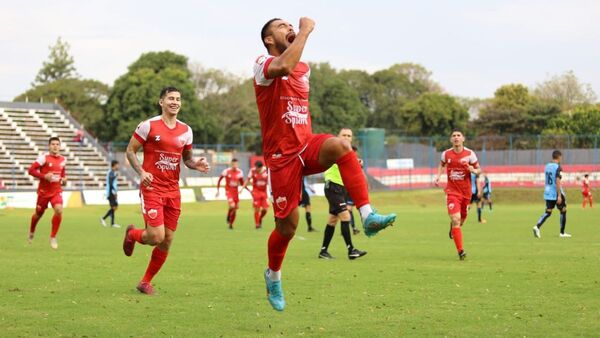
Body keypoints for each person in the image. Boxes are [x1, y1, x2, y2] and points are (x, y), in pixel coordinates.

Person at [254, 17, 396, 311]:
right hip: (282, 157)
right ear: (269, 39)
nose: (289, 27)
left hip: (306, 145)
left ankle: (368, 215)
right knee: (287, 228)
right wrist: (305, 31)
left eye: (290, 25)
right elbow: (283, 66)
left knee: (343, 146)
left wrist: (298, 36)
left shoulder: (304, 68)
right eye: (281, 26)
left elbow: (294, 70)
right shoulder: (262, 64)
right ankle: (274, 275)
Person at [122, 87, 210, 295]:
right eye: (170, 98)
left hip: (173, 191)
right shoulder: (148, 126)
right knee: (155, 236)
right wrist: (141, 172)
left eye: (178, 99)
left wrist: (195, 164)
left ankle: (145, 282)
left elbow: (187, 159)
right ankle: (132, 234)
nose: (175, 102)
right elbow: (130, 150)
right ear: (161, 102)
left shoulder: (186, 130)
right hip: (152, 188)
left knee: (167, 240)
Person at [319, 128, 367, 260]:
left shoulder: (349, 152)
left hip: (341, 188)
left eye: (349, 135)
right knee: (346, 216)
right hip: (333, 186)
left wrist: (358, 164)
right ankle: (351, 250)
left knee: (333, 220)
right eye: (344, 135)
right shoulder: (334, 148)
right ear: (338, 137)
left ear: (352, 138)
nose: (346, 137)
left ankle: (323, 251)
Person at [434, 130, 480, 261]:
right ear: (451, 140)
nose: (456, 138)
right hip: (452, 192)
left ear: (463, 139)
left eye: (458, 135)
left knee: (461, 221)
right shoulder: (446, 154)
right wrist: (438, 176)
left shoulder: (470, 154)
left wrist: (473, 170)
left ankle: (453, 228)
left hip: (466, 194)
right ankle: (461, 251)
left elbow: (479, 170)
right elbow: (441, 164)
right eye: (454, 136)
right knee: (456, 219)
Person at [27, 136, 67, 249]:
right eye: (53, 144)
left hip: (56, 191)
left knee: (59, 210)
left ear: (60, 146)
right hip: (43, 192)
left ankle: (53, 237)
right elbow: (31, 170)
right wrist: (44, 176)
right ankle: (31, 231)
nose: (55, 146)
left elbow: (62, 174)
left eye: (57, 144)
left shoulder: (63, 160)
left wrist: (64, 180)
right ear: (49, 146)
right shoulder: (43, 158)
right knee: (38, 215)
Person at [533, 150, 570, 238]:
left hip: (547, 192)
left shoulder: (547, 166)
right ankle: (562, 233)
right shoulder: (558, 167)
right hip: (555, 192)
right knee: (563, 211)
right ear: (559, 157)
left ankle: (537, 226)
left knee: (548, 212)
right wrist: (559, 195)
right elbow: (557, 181)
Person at [216, 158, 244, 229]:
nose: (235, 165)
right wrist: (218, 190)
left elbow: (242, 183)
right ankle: (229, 216)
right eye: (233, 164)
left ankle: (231, 224)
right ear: (231, 164)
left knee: (235, 209)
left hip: (236, 192)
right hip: (229, 191)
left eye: (236, 164)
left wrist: (246, 189)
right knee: (232, 206)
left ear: (238, 164)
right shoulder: (226, 171)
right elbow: (219, 180)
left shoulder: (240, 172)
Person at [242, 160, 270, 229]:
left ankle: (260, 219)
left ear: (261, 167)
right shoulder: (252, 171)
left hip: (264, 192)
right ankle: (257, 224)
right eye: (256, 167)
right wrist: (243, 187)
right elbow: (248, 180)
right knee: (257, 209)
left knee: (265, 209)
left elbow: (270, 181)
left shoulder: (266, 171)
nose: (256, 169)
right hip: (256, 192)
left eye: (257, 168)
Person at [101, 160, 121, 228]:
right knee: (114, 207)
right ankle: (103, 218)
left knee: (114, 207)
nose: (118, 166)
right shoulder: (111, 173)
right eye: (117, 165)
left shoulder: (113, 172)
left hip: (112, 192)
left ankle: (112, 223)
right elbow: (110, 183)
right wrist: (114, 192)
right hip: (110, 193)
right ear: (114, 165)